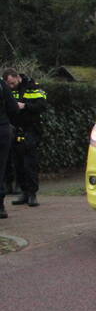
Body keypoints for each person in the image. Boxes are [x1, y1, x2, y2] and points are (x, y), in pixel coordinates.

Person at [3, 69, 47, 207]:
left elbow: (42, 105)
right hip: (15, 130)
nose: (11, 86)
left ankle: (32, 194)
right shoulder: (8, 90)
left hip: (31, 130)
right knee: (18, 163)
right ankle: (23, 192)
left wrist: (25, 106)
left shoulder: (33, 87)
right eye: (8, 84)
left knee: (30, 163)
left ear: (18, 77)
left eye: (12, 82)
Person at [0, 79, 21, 218]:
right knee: (1, 168)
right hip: (2, 129)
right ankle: (0, 206)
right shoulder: (1, 84)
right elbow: (14, 107)